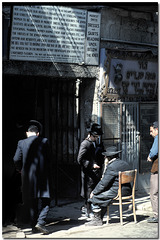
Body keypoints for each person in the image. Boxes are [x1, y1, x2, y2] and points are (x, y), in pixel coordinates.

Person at [13, 120, 54, 234]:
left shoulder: (21, 143)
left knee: (32, 202)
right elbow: (49, 158)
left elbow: (16, 159)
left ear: (27, 133)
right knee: (46, 200)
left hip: (28, 179)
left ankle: (33, 226)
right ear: (37, 133)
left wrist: (20, 169)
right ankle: (40, 222)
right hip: (43, 177)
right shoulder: (44, 141)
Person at [85, 146, 132, 226]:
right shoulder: (124, 163)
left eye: (106, 156)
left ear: (108, 157)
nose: (104, 157)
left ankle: (97, 220)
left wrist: (94, 192)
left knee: (94, 197)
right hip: (128, 191)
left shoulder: (112, 166)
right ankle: (99, 218)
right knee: (102, 196)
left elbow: (104, 183)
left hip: (117, 191)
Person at [77, 123, 104, 217]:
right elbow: (80, 159)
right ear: (90, 135)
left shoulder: (96, 142)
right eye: (95, 137)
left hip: (95, 172)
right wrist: (92, 165)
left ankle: (90, 208)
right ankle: (88, 210)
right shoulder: (85, 143)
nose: (96, 138)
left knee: (93, 191)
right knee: (88, 191)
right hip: (88, 172)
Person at [147, 121, 158, 223]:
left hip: (157, 169)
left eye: (151, 131)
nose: (150, 133)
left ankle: (156, 215)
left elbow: (154, 152)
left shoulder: (158, 138)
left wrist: (150, 156)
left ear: (156, 130)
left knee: (154, 192)